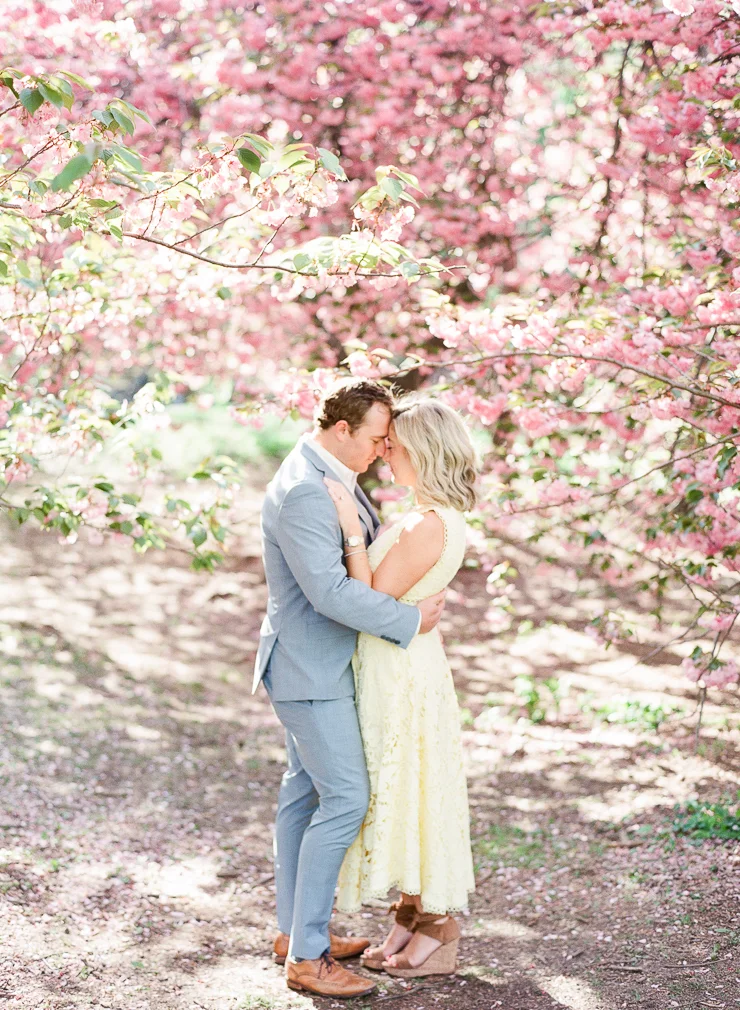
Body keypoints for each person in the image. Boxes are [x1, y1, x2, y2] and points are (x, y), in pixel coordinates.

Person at [253, 378, 446, 999]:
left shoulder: (324, 470)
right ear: (342, 430)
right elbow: (331, 595)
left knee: (303, 797)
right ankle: (307, 958)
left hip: (315, 665)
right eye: (376, 437)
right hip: (313, 672)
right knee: (345, 800)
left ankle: (295, 932)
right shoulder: (308, 491)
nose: (383, 449)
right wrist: (411, 621)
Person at [324, 396, 477, 979]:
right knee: (412, 791)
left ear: (424, 452)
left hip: (403, 671)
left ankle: (440, 927)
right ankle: (412, 917)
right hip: (404, 663)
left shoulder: (426, 522)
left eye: (396, 444)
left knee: (412, 792)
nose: (385, 450)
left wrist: (349, 534)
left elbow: (371, 600)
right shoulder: (428, 515)